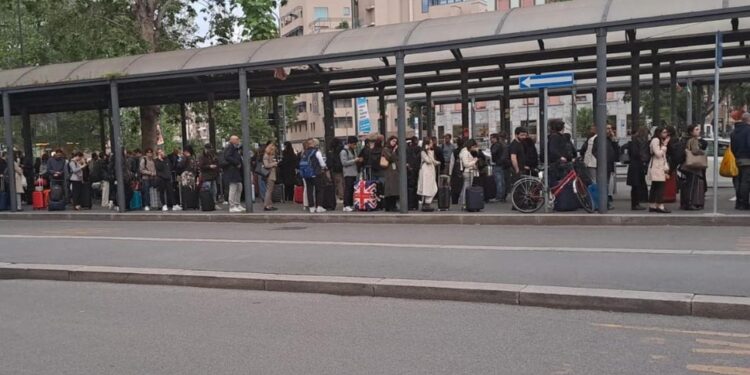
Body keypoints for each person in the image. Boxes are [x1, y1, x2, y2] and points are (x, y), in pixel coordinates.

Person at [680, 124, 707, 210]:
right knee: (692, 185)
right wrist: (702, 152)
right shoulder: (694, 140)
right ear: (691, 132)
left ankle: (685, 203)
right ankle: (689, 203)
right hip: (692, 167)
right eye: (696, 129)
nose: (698, 131)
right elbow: (695, 151)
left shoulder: (685, 139)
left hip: (686, 166)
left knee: (687, 184)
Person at [301, 138, 328, 213]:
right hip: (316, 173)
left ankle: (311, 207)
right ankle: (319, 206)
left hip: (306, 174)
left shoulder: (304, 152)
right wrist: (324, 167)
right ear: (313, 143)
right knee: (319, 189)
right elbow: (322, 163)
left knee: (309, 190)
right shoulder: (316, 152)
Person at [626, 127, 650, 211]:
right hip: (637, 165)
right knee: (636, 185)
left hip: (634, 165)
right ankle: (635, 204)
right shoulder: (638, 141)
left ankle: (636, 203)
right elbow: (637, 153)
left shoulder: (634, 140)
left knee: (635, 185)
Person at [648, 127, 671, 214]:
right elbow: (658, 154)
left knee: (655, 186)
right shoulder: (656, 140)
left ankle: (653, 205)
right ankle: (659, 205)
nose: (666, 134)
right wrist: (665, 145)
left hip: (658, 166)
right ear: (659, 132)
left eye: (666, 132)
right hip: (657, 167)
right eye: (664, 132)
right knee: (660, 186)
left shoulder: (658, 140)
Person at [730, 112, 750, 210]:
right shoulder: (748, 130)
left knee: (738, 181)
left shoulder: (734, 132)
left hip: (737, 160)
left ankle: (738, 202)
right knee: (745, 182)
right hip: (747, 160)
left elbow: (732, 147)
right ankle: (744, 203)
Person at [222, 136, 245, 213]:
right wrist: (237, 163)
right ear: (232, 140)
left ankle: (237, 204)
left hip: (235, 170)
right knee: (233, 187)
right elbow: (227, 156)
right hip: (232, 171)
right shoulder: (230, 147)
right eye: (237, 139)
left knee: (239, 186)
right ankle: (232, 206)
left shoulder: (234, 148)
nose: (239, 140)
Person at [417, 137, 440, 211]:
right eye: (430, 143)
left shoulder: (430, 151)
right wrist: (429, 152)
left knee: (433, 188)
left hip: (430, 170)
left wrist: (436, 162)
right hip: (426, 170)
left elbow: (432, 160)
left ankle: (426, 203)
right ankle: (426, 203)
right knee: (428, 187)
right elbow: (428, 160)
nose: (432, 144)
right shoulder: (423, 152)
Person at [340, 136, 361, 212]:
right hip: (348, 173)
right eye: (354, 144)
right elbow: (344, 163)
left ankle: (350, 204)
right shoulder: (344, 151)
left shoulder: (353, 150)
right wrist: (354, 160)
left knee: (352, 189)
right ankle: (346, 205)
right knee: (348, 189)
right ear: (350, 143)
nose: (355, 146)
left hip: (354, 172)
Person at [458, 139, 479, 210]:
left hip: (469, 171)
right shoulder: (465, 152)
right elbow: (466, 164)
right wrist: (475, 161)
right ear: (471, 146)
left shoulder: (465, 152)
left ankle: (463, 202)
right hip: (467, 172)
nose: (474, 148)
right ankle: (464, 203)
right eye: (473, 147)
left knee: (465, 187)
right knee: (466, 188)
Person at [382, 135, 401, 212]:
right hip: (389, 171)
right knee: (390, 189)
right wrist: (394, 151)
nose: (394, 143)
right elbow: (390, 158)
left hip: (395, 171)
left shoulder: (395, 150)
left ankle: (393, 205)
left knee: (395, 189)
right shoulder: (386, 149)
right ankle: (389, 206)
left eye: (395, 142)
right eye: (393, 141)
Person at [489, 133, 507, 203]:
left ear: (494, 138)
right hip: (500, 165)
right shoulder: (501, 145)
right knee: (501, 181)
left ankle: (499, 197)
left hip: (497, 164)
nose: (490, 140)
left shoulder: (496, 145)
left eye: (491, 138)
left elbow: (493, 152)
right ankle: (502, 196)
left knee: (498, 181)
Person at [406, 136, 422, 210]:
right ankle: (415, 204)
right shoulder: (419, 149)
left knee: (410, 187)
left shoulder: (407, 149)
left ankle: (410, 204)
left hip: (409, 169)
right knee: (416, 187)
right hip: (416, 169)